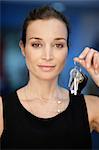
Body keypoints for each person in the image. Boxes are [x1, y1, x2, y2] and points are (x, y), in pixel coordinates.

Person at [0, 5, 99, 149]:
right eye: (36, 44)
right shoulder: (2, 109)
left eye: (58, 45)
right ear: (23, 48)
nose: (47, 56)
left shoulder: (91, 107)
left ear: (67, 50)